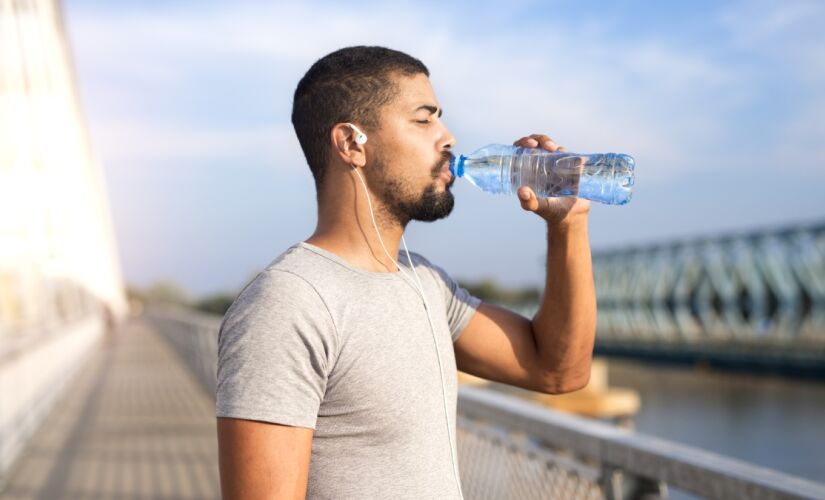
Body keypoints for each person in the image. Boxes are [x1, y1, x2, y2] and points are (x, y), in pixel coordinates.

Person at [216, 46, 596, 500]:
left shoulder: (426, 284)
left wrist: (568, 224)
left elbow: (557, 371)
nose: (448, 137)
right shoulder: (288, 304)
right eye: (424, 119)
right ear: (351, 143)